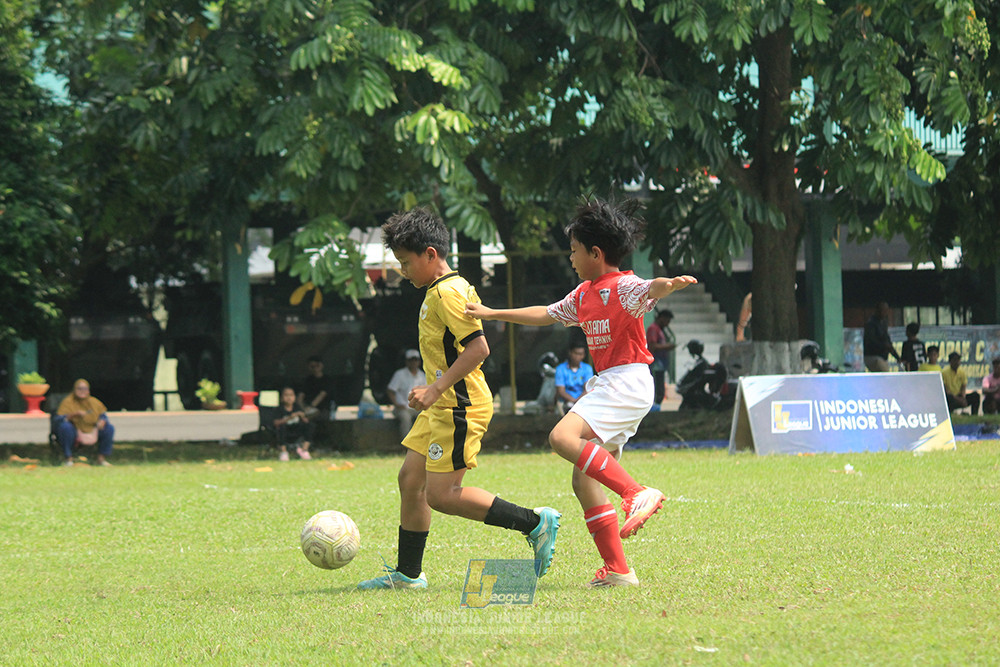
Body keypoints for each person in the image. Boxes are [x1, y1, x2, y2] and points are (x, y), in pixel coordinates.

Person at [466, 195, 697, 587]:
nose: (570, 258)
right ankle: (619, 570)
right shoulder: (583, 294)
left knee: (561, 436)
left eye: (574, 251)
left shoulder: (622, 286)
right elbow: (546, 312)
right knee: (583, 481)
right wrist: (491, 313)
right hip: (615, 385)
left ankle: (635, 493)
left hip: (626, 380)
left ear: (595, 252)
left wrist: (666, 286)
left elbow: (648, 289)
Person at [357, 206, 560, 591]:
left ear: (430, 254)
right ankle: (408, 575)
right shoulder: (439, 289)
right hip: (442, 405)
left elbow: (479, 348)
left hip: (458, 404)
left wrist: (434, 388)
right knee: (409, 480)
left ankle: (535, 522)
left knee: (442, 495)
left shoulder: (448, 292)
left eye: (406, 262)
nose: (402, 270)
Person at [55, 378, 115, 467]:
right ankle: (69, 459)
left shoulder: (94, 402)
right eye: (79, 389)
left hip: (93, 428)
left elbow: (103, 416)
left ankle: (101, 459)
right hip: (75, 429)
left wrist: (102, 422)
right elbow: (58, 419)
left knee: (109, 428)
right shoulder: (68, 402)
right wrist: (72, 415)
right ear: (74, 390)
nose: (82, 391)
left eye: (85, 389)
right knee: (65, 428)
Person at [387, 349, 424, 436]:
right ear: (407, 362)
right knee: (405, 418)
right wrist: (397, 404)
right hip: (402, 407)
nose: (413, 363)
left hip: (417, 407)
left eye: (416, 360)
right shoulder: (399, 374)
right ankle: (406, 444)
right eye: (411, 360)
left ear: (419, 362)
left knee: (427, 416)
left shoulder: (422, 375)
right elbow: (390, 390)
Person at [273, 386, 314, 460]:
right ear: (282, 397)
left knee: (310, 426)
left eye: (291, 395)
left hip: (297, 429)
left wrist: (302, 416)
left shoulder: (297, 407)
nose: (289, 398)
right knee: (281, 428)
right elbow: (275, 423)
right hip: (285, 430)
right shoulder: (279, 409)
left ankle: (304, 450)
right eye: (286, 395)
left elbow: (306, 420)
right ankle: (284, 452)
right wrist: (289, 418)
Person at [645, 308, 676, 407]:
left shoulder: (659, 330)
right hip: (655, 364)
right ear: (662, 318)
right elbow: (652, 346)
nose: (667, 324)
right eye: (667, 321)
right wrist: (668, 346)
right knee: (657, 388)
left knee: (660, 387)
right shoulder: (653, 329)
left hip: (660, 364)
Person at [554, 343, 594, 413]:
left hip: (582, 401)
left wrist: (577, 401)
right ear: (570, 353)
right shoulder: (560, 368)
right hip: (565, 402)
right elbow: (561, 391)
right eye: (576, 353)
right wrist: (573, 401)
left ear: (584, 355)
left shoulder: (587, 368)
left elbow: (587, 389)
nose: (578, 357)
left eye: (580, 354)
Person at [863, 301, 901, 372]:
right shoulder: (871, 324)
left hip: (882, 357)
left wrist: (897, 357)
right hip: (873, 356)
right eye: (882, 310)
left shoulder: (883, 323)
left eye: (886, 310)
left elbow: (887, 342)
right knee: (885, 375)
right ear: (877, 310)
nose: (884, 312)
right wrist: (884, 346)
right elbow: (871, 341)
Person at [298, 355, 335, 421]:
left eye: (317, 366)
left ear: (321, 366)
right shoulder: (308, 380)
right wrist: (303, 408)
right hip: (307, 409)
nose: (315, 368)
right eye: (312, 366)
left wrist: (311, 407)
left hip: (322, 410)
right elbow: (300, 396)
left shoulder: (327, 380)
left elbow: (322, 395)